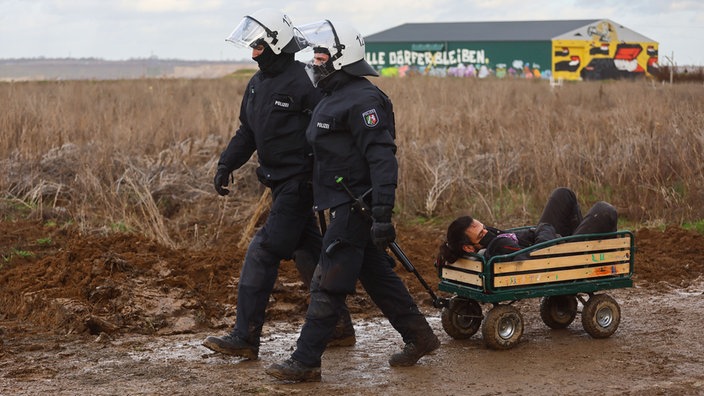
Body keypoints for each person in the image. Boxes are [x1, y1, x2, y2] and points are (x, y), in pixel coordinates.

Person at [265, 20, 439, 383]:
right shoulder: (332, 95)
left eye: (322, 54)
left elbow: (382, 159)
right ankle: (420, 336)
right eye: (314, 53)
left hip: (356, 207)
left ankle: (305, 361)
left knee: (328, 281)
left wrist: (381, 214)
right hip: (341, 203)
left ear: (343, 58)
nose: (314, 61)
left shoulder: (364, 99)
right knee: (376, 275)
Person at [202, 9, 355, 361]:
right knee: (308, 251)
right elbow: (247, 132)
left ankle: (245, 336)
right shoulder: (256, 84)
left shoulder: (307, 81)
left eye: (258, 46)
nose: (253, 53)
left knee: (264, 250)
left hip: (300, 183)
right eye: (252, 46)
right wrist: (227, 163)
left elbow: (331, 126)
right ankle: (339, 326)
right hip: (276, 182)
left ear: (277, 44)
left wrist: (330, 172)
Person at [437, 187, 618, 265]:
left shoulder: (488, 240)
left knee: (563, 194)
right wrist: (544, 229)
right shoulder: (496, 246)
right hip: (554, 256)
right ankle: (587, 252)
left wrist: (542, 230)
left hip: (545, 239)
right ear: (468, 247)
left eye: (483, 226)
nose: (486, 231)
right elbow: (532, 260)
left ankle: (581, 238)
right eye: (480, 233)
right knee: (604, 210)